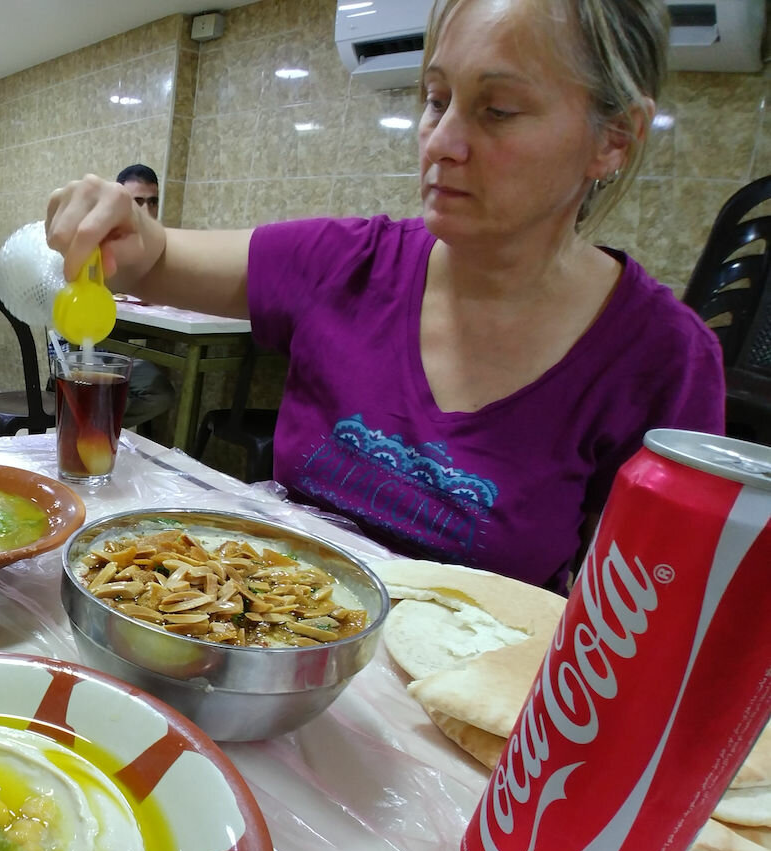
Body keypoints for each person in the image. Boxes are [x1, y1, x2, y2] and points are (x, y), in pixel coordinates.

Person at [48, 0, 724, 592]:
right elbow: (155, 257)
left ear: (614, 138)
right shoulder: (348, 263)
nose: (442, 142)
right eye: (436, 98)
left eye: (497, 111)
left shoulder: (664, 358)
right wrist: (123, 227)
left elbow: (651, 618)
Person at [110, 164, 176, 432]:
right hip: (85, 346)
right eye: (137, 202)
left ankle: (102, 430)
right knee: (104, 393)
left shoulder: (158, 246)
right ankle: (96, 429)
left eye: (153, 202)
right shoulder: (99, 241)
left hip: (125, 346)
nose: (146, 211)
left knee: (160, 393)